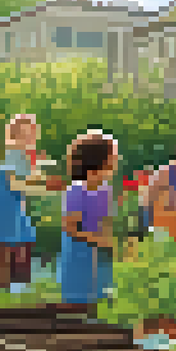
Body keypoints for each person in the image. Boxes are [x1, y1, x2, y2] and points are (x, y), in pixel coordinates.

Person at [58, 131, 119, 313]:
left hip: (100, 252)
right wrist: (98, 240)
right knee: (79, 298)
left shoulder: (106, 189)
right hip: (79, 252)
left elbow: (106, 220)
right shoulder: (76, 190)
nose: (115, 163)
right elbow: (70, 228)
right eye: (112, 158)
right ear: (98, 162)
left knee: (101, 294)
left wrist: (110, 242)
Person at [0, 114, 46, 293]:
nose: (28, 139)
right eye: (24, 135)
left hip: (15, 208)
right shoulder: (14, 154)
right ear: (14, 136)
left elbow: (28, 179)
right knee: (3, 251)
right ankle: (2, 290)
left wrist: (39, 176)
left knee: (16, 248)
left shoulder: (23, 156)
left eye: (31, 135)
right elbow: (14, 184)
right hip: (5, 209)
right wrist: (42, 188)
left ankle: (11, 290)